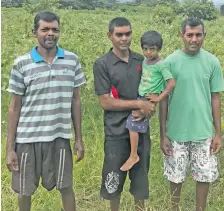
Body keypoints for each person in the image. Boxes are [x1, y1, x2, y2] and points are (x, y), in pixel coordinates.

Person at [6, 10, 86, 211]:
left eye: (55, 29)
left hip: (59, 137)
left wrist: (78, 138)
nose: (50, 33)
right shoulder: (21, 64)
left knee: (66, 186)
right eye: (45, 29)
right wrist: (9, 149)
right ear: (35, 32)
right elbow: (14, 107)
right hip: (27, 139)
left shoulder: (71, 60)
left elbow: (75, 101)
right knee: (24, 191)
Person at [159, 17, 224, 211]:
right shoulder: (170, 62)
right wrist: (163, 135)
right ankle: (174, 208)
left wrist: (217, 133)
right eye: (190, 35)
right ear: (182, 36)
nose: (194, 39)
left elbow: (215, 98)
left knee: (204, 176)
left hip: (203, 133)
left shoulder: (212, 62)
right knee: (175, 176)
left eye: (198, 35)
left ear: (204, 36)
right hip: (176, 133)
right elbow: (163, 101)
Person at [93, 17, 155, 211]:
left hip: (140, 129)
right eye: (119, 34)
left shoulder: (141, 60)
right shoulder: (103, 64)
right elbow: (105, 101)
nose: (124, 38)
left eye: (128, 33)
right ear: (110, 36)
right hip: (115, 132)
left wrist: (148, 108)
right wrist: (137, 103)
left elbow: (152, 89)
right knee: (114, 182)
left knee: (140, 182)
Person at [120, 30, 175, 171]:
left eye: (152, 49)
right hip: (141, 97)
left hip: (148, 97)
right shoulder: (144, 61)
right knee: (133, 123)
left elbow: (171, 83)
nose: (148, 52)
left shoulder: (161, 64)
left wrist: (158, 98)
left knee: (133, 122)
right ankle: (134, 154)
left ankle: (133, 155)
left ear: (159, 49)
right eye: (145, 49)